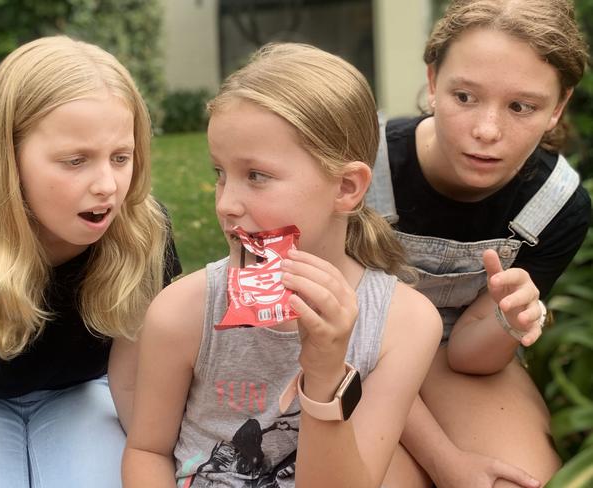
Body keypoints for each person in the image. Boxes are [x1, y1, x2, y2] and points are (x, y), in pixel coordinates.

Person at [122, 42, 443, 488]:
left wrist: (327, 370)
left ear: (347, 187)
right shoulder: (183, 311)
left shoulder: (401, 325)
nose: (226, 204)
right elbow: (147, 451)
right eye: (220, 173)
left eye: (256, 176)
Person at [364, 1, 592, 486]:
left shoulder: (557, 204)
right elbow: (336, 335)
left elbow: (470, 355)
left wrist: (505, 321)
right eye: (465, 96)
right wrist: (444, 459)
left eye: (521, 106)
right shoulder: (361, 166)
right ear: (432, 81)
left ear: (558, 107)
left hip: (454, 356)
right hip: (346, 346)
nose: (487, 131)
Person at [0, 36, 181, 487]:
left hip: (85, 393)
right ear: (10, 159)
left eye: (121, 157)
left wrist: (162, 463)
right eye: (76, 161)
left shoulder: (143, 233)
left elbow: (133, 386)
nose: (107, 185)